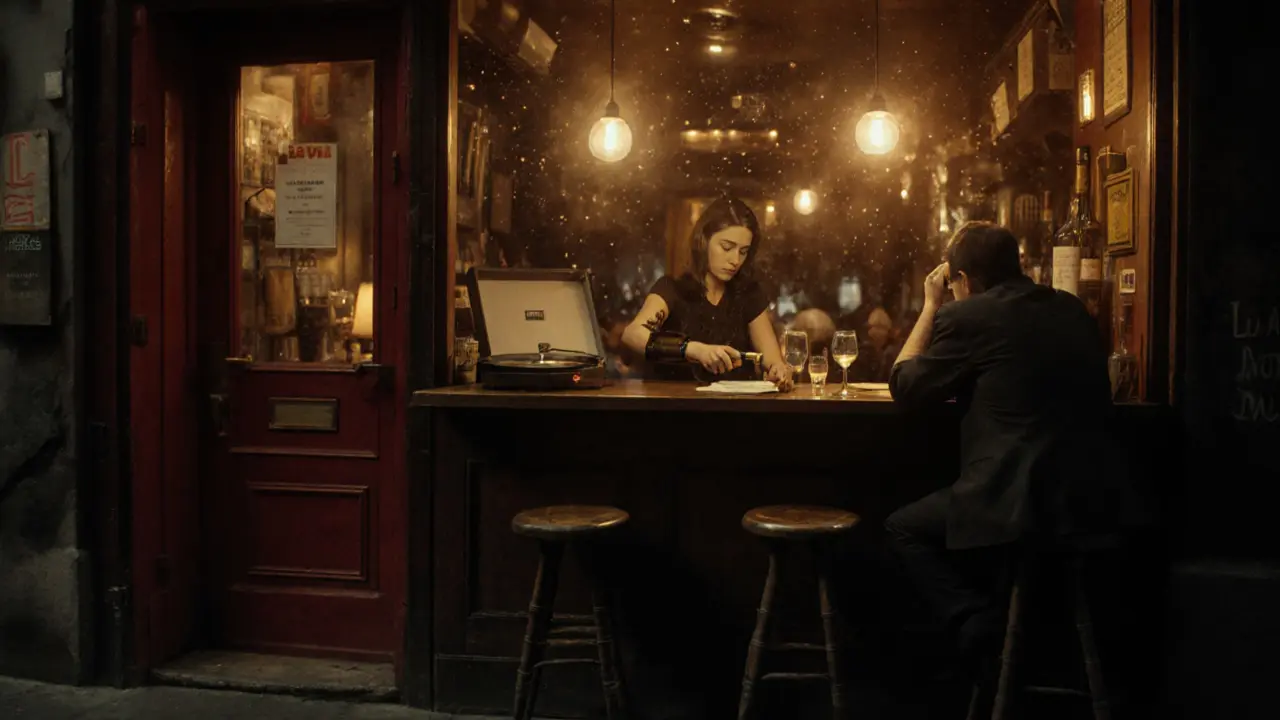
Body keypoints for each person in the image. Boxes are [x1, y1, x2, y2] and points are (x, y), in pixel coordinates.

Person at [884, 221, 1114, 677]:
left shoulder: (969, 315)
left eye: (953, 286)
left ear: (964, 281)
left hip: (1014, 503)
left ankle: (979, 624)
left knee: (902, 528)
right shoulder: (1070, 308)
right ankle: (1012, 643)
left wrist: (931, 305)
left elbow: (904, 385)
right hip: (1093, 501)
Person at [622, 197, 791, 388]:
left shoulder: (748, 294)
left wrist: (779, 371)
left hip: (735, 411)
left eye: (743, 251)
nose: (735, 260)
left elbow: (773, 360)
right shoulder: (672, 289)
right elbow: (632, 335)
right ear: (703, 241)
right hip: (673, 409)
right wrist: (694, 350)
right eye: (727, 247)